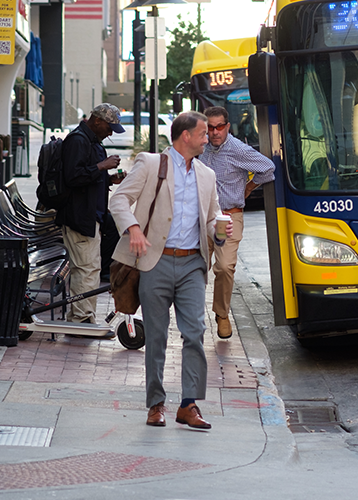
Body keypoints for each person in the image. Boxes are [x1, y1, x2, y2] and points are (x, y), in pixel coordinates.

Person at [109, 111, 232, 430]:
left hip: (193, 262)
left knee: (195, 332)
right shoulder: (151, 164)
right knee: (158, 337)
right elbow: (119, 200)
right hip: (155, 261)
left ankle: (189, 405)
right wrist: (133, 228)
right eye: (204, 133)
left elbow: (210, 218)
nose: (209, 138)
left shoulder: (207, 175)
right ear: (185, 136)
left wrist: (219, 231)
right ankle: (155, 404)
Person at [198, 106, 275, 339]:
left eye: (219, 127)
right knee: (194, 268)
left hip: (228, 217)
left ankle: (221, 315)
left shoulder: (238, 150)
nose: (214, 132)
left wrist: (248, 187)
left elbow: (268, 168)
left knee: (224, 267)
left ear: (227, 127)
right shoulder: (199, 148)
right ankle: (193, 316)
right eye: (210, 127)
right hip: (200, 217)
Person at [58, 104, 124, 325]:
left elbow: (84, 176)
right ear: (97, 121)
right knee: (87, 268)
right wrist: (102, 166)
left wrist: (109, 177)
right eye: (109, 127)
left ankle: (82, 316)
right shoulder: (78, 140)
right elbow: (73, 177)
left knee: (89, 267)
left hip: (88, 215)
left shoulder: (90, 140)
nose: (111, 133)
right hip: (80, 216)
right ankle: (81, 318)